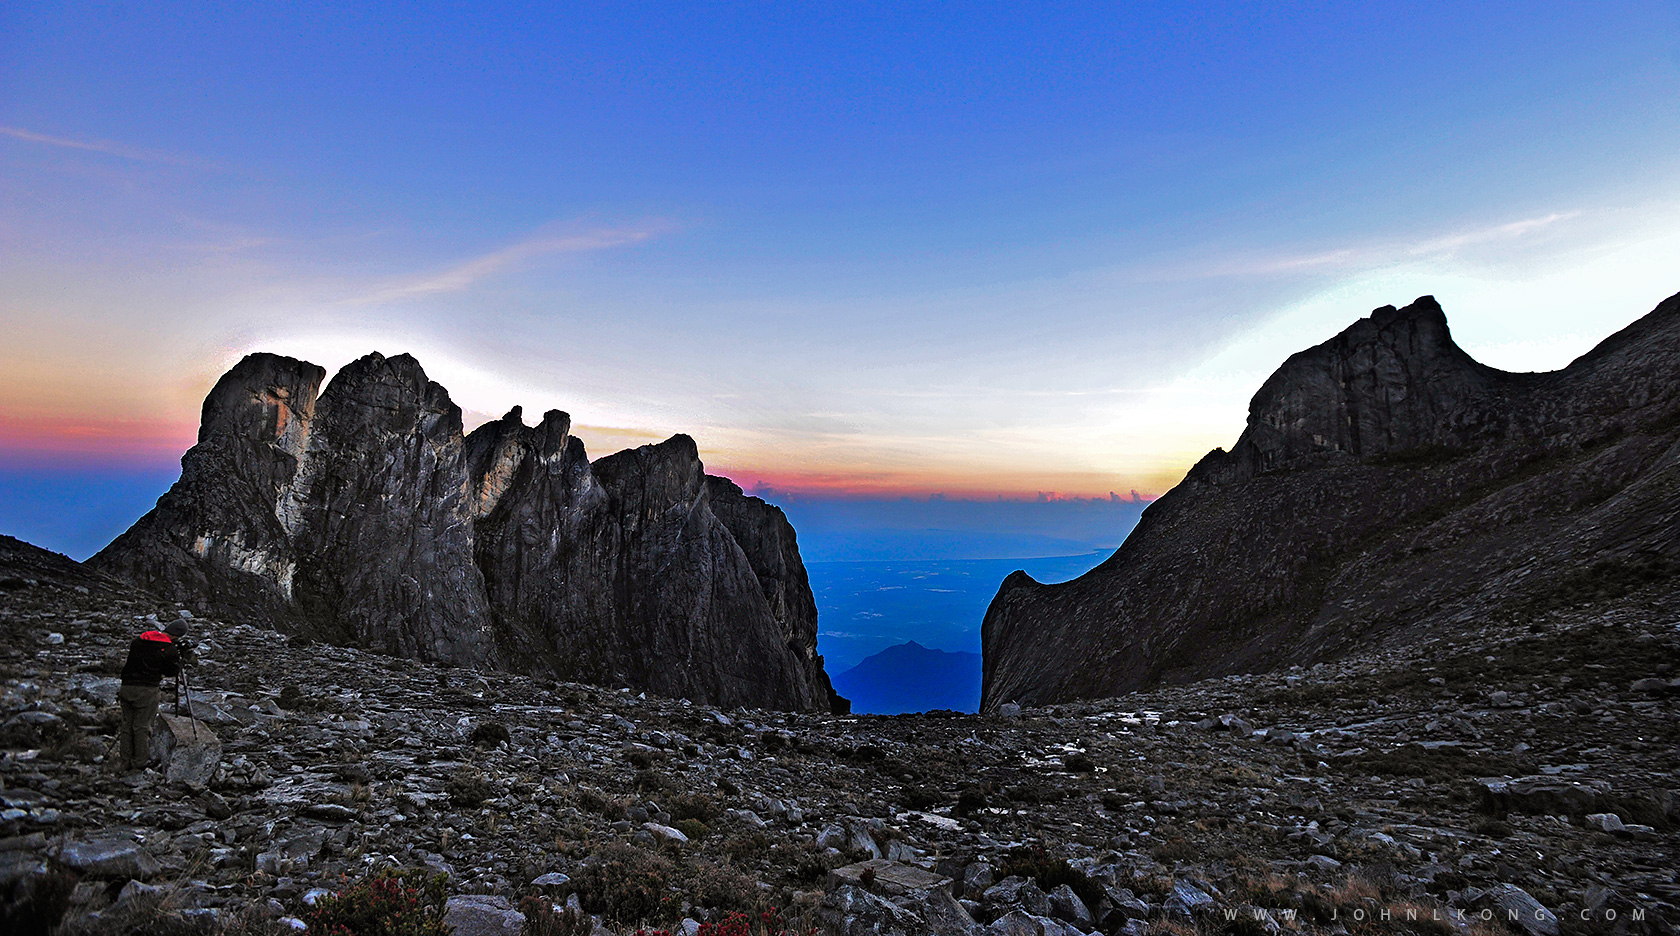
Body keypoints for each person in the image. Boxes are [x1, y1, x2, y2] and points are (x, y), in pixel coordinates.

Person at [116, 619, 188, 770]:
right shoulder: (169, 650)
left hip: (126, 686)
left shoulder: (138, 641)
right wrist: (180, 661)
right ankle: (140, 762)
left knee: (127, 725)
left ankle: (124, 761)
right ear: (177, 636)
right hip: (146, 690)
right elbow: (170, 672)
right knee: (142, 727)